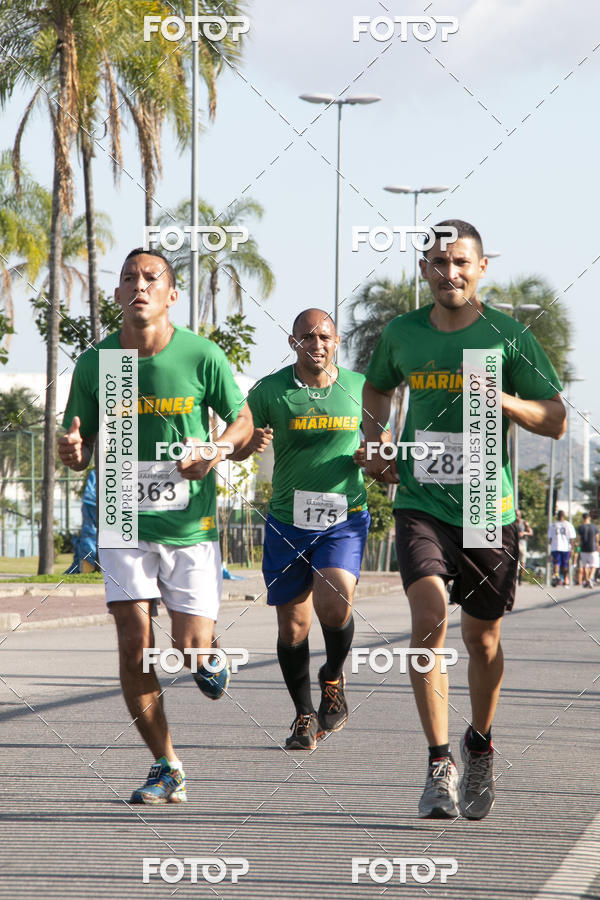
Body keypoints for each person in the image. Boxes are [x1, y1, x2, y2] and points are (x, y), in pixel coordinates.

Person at [362, 219, 566, 820]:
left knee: (482, 639)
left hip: (484, 506)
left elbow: (555, 418)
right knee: (428, 619)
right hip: (420, 501)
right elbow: (377, 390)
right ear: (424, 269)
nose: (449, 272)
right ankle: (437, 763)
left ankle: (479, 743)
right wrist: (375, 439)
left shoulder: (508, 335)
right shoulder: (401, 333)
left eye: (460, 263)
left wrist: (504, 400)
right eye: (438, 262)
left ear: (480, 269)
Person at [59, 248, 253, 804]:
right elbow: (81, 447)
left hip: (189, 526)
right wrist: (73, 450)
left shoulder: (200, 354)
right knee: (133, 645)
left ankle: (207, 650)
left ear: (172, 294)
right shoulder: (99, 363)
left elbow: (242, 422)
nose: (139, 286)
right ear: (118, 295)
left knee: (189, 650)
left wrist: (214, 449)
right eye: (129, 279)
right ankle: (167, 765)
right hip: (122, 519)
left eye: (151, 278)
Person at [236, 308, 381, 750]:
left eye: (324, 337)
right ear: (293, 342)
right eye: (307, 337)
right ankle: (303, 714)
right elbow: (237, 443)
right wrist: (248, 445)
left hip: (344, 517)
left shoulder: (360, 387)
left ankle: (332, 677)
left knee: (334, 601)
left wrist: (372, 457)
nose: (316, 344)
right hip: (287, 521)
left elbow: (384, 450)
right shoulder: (270, 390)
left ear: (336, 342)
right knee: (293, 627)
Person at [548, 510, 576, 587]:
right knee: (564, 564)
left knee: (556, 563)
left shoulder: (553, 525)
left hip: (555, 547)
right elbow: (572, 538)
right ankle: (565, 579)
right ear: (564, 516)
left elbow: (550, 539)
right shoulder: (568, 525)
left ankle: (556, 576)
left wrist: (550, 546)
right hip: (565, 547)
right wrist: (572, 548)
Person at [577, 512, 599, 588]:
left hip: (583, 549)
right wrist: (597, 546)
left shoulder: (581, 527)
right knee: (594, 565)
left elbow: (579, 539)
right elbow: (597, 538)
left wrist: (577, 545)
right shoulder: (594, 527)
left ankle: (587, 580)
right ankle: (590, 577)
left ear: (583, 518)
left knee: (585, 566)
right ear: (589, 518)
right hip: (593, 549)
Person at [515, 509, 534, 585]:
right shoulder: (512, 523)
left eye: (517, 515)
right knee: (514, 561)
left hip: (522, 543)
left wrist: (524, 533)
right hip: (515, 543)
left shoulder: (524, 523)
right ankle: (515, 577)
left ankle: (520, 578)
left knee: (522, 562)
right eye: (515, 515)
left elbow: (531, 533)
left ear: (520, 515)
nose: (516, 516)